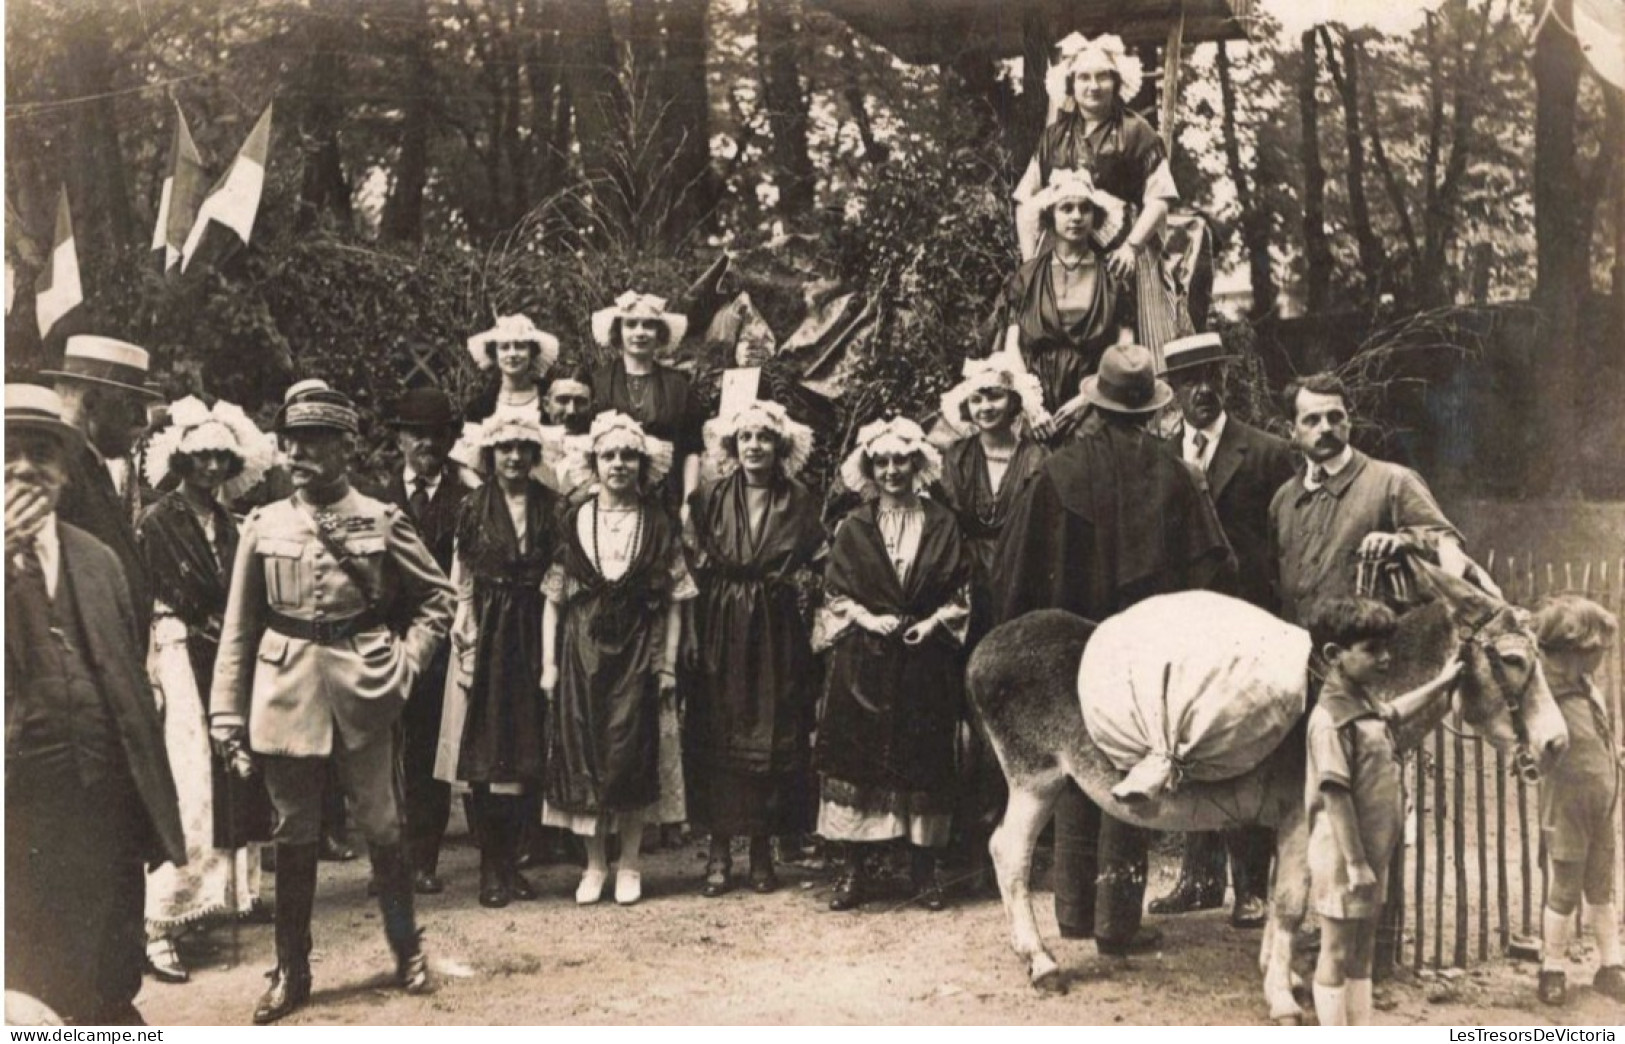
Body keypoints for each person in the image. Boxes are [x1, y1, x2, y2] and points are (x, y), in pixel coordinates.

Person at [208, 380, 454, 1024]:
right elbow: (239, 626)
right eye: (292, 442)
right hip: (286, 690)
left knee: (384, 827)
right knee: (294, 832)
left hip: (365, 688)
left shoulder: (380, 518)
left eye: (315, 442)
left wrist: (408, 661)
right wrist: (227, 714)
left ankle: (406, 950)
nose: (299, 454)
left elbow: (438, 599)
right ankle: (291, 969)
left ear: (346, 448)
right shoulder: (263, 525)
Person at [990, 343, 1234, 955]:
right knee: (1126, 768)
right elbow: (1211, 571)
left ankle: (1071, 911)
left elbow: (1015, 572)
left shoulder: (1056, 472)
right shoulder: (1175, 474)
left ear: (1095, 404)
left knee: (1075, 765)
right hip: (1146, 652)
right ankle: (1115, 921)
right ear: (1152, 411)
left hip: (1068, 650)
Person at [5, 384, 186, 1025]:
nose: (26, 468)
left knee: (109, 974)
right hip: (18, 814)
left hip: (103, 807)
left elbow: (129, 686)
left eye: (43, 454)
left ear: (65, 467)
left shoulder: (98, 561)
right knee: (30, 986)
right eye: (10, 451)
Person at [1148, 333, 1297, 930]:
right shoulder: (1158, 455)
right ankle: (1198, 879)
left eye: (1213, 376)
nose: (1202, 391)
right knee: (1187, 744)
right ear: (1172, 391)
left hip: (1249, 623)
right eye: (1189, 381)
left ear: (1228, 380)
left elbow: (1286, 543)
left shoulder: (1266, 453)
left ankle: (1250, 888)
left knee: (1243, 748)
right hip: (1185, 626)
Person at [137, 397, 277, 983]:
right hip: (175, 656)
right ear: (181, 461)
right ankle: (161, 922)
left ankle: (215, 899)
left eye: (221, 457)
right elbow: (146, 600)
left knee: (231, 774)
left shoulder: (231, 525)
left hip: (221, 659)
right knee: (188, 780)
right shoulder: (156, 522)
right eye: (201, 458)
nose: (212, 469)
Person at [540, 412, 698, 906]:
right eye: (608, 455)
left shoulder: (657, 523)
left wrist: (668, 662)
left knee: (632, 753)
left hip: (637, 651)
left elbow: (676, 597)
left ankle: (629, 862)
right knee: (584, 753)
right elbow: (553, 598)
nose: (618, 464)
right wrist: (548, 665)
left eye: (628, 455)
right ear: (594, 462)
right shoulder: (574, 520)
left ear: (642, 464)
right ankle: (594, 864)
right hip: (580, 652)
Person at [815, 417, 971, 913]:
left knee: (923, 758)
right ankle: (853, 870)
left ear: (916, 464)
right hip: (864, 660)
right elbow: (834, 592)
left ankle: (923, 872)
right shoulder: (855, 525)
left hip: (924, 661)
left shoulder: (942, 523)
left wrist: (933, 624)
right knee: (856, 757)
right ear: (869, 468)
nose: (890, 471)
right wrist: (865, 617)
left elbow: (962, 590)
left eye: (900, 461)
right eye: (880, 462)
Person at [685, 401, 824, 897]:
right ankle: (720, 852)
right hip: (722, 618)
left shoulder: (801, 499)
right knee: (720, 730)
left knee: (772, 732)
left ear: (780, 446)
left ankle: (762, 850)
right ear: (733, 446)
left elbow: (817, 558)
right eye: (746, 438)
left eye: (765, 438)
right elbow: (691, 561)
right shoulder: (709, 497)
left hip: (775, 622)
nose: (755, 447)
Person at [1303, 597, 1462, 1026]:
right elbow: (1335, 797)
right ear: (1335, 656)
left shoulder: (1363, 704)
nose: (1385, 658)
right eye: (1372, 649)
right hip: (1343, 856)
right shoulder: (1332, 720)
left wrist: (1443, 682)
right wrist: (1355, 864)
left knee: (1363, 948)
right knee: (1337, 949)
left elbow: (1395, 711)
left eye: (1386, 648)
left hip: (1369, 855)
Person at [445, 410, 561, 908]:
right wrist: (464, 623)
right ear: (490, 455)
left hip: (535, 625)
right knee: (487, 745)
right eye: (505, 449)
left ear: (534, 456)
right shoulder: (473, 506)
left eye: (522, 449)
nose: (514, 458)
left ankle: (514, 862)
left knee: (530, 746)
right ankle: (490, 866)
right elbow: (465, 573)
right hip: (490, 628)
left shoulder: (552, 507)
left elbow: (558, 574)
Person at [1011, 32, 1184, 355]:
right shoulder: (1053, 138)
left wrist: (1132, 248)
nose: (1093, 86)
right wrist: (1031, 262)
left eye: (1102, 77)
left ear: (1116, 82)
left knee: (1140, 342)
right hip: (1064, 248)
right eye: (1084, 77)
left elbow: (1160, 198)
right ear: (1070, 84)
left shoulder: (1137, 132)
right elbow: (1025, 200)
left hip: (1123, 249)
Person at [1270, 372, 1485, 629]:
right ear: (1292, 430)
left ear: (1349, 422)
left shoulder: (1393, 481)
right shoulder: (1283, 500)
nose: (1325, 428)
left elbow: (1446, 542)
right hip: (1299, 654)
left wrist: (1401, 540)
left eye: (1335, 417)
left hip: (1373, 655)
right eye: (1312, 420)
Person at [376, 387, 480, 895]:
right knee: (379, 752)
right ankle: (386, 860)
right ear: (399, 439)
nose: (427, 444)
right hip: (384, 638)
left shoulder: (466, 498)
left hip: (441, 640)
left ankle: (422, 858)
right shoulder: (376, 497)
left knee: (427, 752)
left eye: (438, 435)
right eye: (417, 434)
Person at [1530, 594, 1624, 1006]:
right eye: (1598, 650)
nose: (1604, 657)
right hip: (1565, 806)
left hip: (1601, 802)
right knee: (1565, 888)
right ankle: (1553, 967)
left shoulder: (1587, 688)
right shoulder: (1542, 693)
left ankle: (1610, 965)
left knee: (1602, 887)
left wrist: (1614, 752)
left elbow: (1597, 734)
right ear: (1575, 650)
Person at [993, 168, 1135, 440]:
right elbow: (1013, 348)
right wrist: (1032, 407)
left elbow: (1123, 352)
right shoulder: (1028, 276)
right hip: (1036, 412)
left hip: (1095, 407)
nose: (1076, 217)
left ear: (1095, 217)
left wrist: (1085, 399)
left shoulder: (1113, 279)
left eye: (1085, 209)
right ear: (1050, 215)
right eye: (1066, 208)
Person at [44, 335, 164, 643]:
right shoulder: (60, 477)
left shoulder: (91, 468)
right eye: (132, 407)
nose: (141, 422)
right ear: (92, 404)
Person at [936, 350, 1050, 639]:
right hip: (967, 574)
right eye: (976, 400)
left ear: (1013, 402)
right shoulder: (956, 457)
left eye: (995, 397)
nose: (985, 407)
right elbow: (943, 521)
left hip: (1021, 569)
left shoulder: (1036, 457)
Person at [590, 291, 703, 508]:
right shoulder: (599, 383)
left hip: (667, 498)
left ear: (659, 333)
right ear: (618, 332)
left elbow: (691, 451)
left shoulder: (678, 386)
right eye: (631, 324)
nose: (640, 332)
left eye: (648, 325)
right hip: (611, 498)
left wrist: (688, 505)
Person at [461, 314, 563, 424]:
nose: (512, 354)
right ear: (495, 355)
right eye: (504, 347)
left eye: (520, 346)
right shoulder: (480, 407)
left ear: (532, 352)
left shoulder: (553, 397)